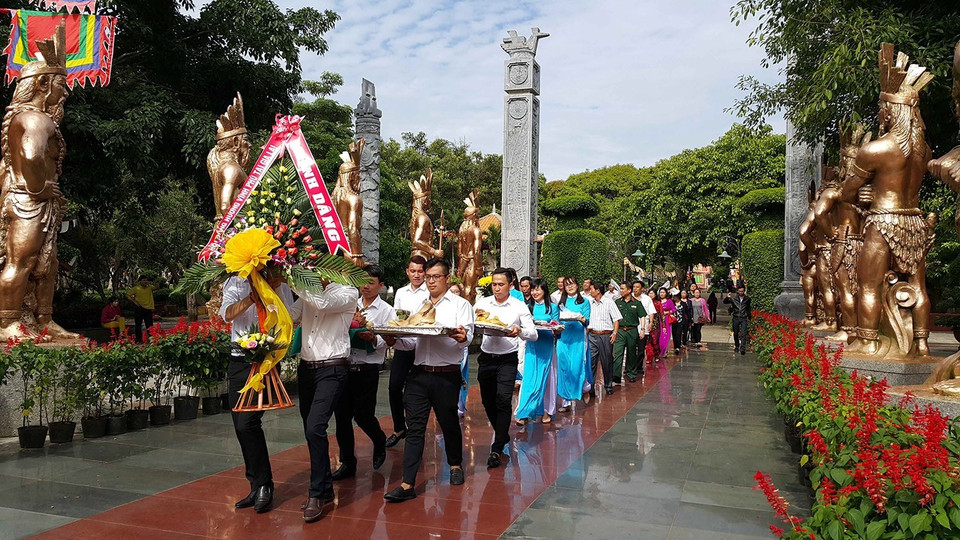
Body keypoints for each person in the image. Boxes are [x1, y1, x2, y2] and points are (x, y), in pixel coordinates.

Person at [383, 258, 473, 502]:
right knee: (415, 428)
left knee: (448, 423)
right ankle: (407, 483)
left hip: (447, 375)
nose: (430, 281)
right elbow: (412, 339)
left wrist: (462, 336)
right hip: (419, 374)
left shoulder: (460, 305)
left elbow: (468, 338)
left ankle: (455, 464)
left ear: (446, 278)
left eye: (435, 277)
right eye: (428, 277)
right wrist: (392, 339)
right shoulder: (420, 307)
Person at [220, 273, 296, 515]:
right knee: (239, 425)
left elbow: (289, 316)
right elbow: (226, 314)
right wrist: (252, 298)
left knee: (248, 424)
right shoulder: (234, 282)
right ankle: (255, 484)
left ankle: (265, 484)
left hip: (265, 361)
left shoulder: (278, 283)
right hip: (239, 361)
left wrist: (270, 292)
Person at [291, 275, 358, 523]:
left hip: (333, 369)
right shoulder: (308, 292)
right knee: (310, 430)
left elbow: (321, 303)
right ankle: (326, 489)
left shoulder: (348, 291)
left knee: (315, 427)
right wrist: (269, 289)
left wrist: (292, 279)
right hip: (307, 368)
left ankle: (316, 493)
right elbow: (291, 314)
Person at [331, 265, 395, 482]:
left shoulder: (387, 311)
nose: (366, 286)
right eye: (362, 281)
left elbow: (389, 342)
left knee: (364, 415)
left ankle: (379, 440)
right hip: (344, 366)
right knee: (341, 417)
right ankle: (347, 462)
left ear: (381, 285)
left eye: (371, 282)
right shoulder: (349, 304)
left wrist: (373, 339)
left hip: (367, 369)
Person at [474, 268, 537, 468]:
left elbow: (533, 333)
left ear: (511, 286)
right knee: (487, 401)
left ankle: (497, 447)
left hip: (507, 359)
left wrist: (519, 331)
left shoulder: (518, 306)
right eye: (494, 284)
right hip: (486, 358)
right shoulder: (483, 304)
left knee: (503, 400)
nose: (497, 288)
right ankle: (502, 434)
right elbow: (471, 324)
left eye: (501, 284)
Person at [386, 255, 429, 448]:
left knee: (417, 391)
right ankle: (399, 427)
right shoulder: (401, 292)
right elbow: (397, 316)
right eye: (413, 271)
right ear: (408, 272)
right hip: (403, 346)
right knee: (394, 387)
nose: (417, 275)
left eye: (420, 271)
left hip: (422, 347)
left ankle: (415, 429)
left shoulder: (430, 292)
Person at [515, 278, 560, 424]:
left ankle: (546, 411)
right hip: (532, 346)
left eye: (537, 289)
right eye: (533, 289)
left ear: (544, 291)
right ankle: (524, 412)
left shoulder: (552, 308)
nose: (534, 292)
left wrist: (557, 329)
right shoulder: (527, 307)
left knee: (545, 380)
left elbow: (557, 329)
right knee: (529, 379)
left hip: (546, 346)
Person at [556, 277, 590, 411]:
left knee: (576, 367)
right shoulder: (561, 302)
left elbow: (586, 320)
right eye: (567, 285)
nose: (570, 287)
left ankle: (584, 387)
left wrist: (581, 319)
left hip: (578, 339)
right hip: (563, 338)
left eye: (572, 284)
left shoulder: (584, 302)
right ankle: (566, 401)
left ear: (577, 285)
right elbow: (557, 318)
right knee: (563, 368)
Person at [584, 278, 621, 396]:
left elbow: (616, 319)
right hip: (592, 335)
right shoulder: (589, 303)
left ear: (598, 290)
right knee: (591, 362)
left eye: (592, 289)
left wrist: (614, 333)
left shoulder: (609, 302)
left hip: (606, 335)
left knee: (607, 361)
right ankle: (590, 387)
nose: (590, 292)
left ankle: (608, 385)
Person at [614, 283, 645, 384]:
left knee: (632, 353)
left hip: (632, 330)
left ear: (629, 290)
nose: (621, 291)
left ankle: (631, 373)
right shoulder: (617, 302)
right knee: (618, 353)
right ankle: (616, 375)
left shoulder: (637, 303)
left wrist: (643, 329)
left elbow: (642, 316)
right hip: (620, 330)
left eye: (623, 289)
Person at [448, 283, 471, 417]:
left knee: (461, 376)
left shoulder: (463, 306)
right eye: (452, 291)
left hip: (460, 348)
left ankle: (460, 405)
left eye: (456, 292)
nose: (454, 294)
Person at [126, 276, 158, 342]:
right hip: (139, 308)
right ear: (140, 281)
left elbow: (157, 287)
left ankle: (151, 338)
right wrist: (134, 301)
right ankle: (138, 339)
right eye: (143, 280)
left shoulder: (149, 287)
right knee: (138, 324)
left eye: (146, 280)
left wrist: (155, 281)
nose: (145, 281)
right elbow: (127, 294)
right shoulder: (136, 288)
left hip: (148, 308)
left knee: (149, 324)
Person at [724, 286, 752, 355]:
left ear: (744, 291)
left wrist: (749, 316)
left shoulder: (747, 299)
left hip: (743, 317)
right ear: (737, 291)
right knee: (736, 333)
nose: (741, 293)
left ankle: (742, 348)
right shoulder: (734, 299)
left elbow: (748, 308)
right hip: (736, 317)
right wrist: (727, 297)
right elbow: (725, 302)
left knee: (743, 333)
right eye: (739, 291)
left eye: (742, 291)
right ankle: (737, 345)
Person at [659, 288, 675, 355]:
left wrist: (666, 312)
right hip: (658, 319)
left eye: (663, 292)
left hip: (666, 320)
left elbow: (674, 310)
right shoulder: (657, 301)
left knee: (665, 335)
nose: (662, 294)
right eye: (660, 292)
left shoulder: (669, 301)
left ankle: (664, 351)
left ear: (666, 293)